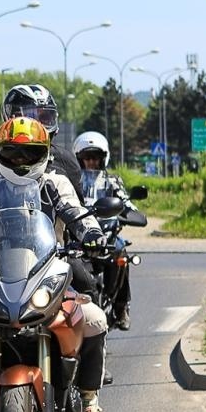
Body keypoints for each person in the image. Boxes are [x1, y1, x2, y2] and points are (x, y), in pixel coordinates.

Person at [0, 116, 111, 412]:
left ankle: (91, 400)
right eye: (13, 153)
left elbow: (75, 213)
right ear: (0, 153)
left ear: (44, 152)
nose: (21, 161)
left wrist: (92, 232)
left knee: (94, 319)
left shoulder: (55, 183)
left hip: (47, 267)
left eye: (29, 153)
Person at [72, 131, 135, 330]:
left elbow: (126, 203)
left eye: (95, 158)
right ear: (79, 160)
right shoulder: (73, 183)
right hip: (79, 232)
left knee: (121, 254)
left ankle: (121, 307)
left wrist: (132, 213)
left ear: (103, 159)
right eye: (86, 158)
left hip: (107, 231)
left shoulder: (112, 182)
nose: (91, 162)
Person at [0, 84, 83, 189]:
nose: (38, 126)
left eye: (45, 117)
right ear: (11, 117)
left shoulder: (66, 161)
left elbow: (77, 205)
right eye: (29, 116)